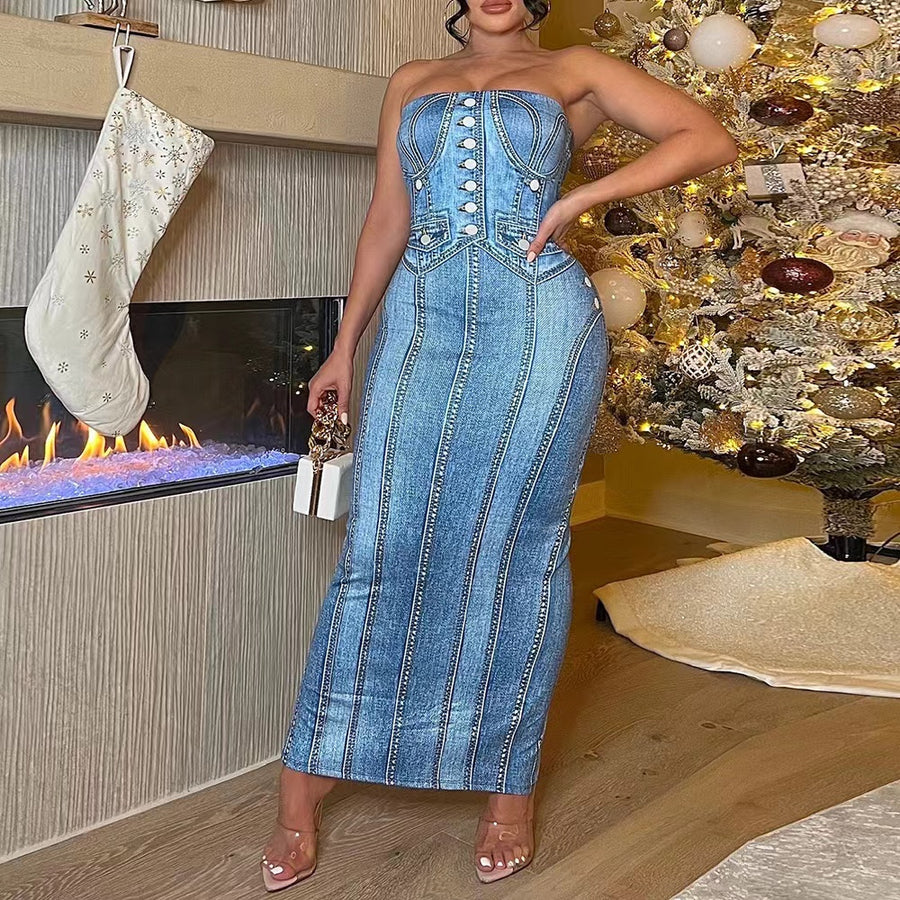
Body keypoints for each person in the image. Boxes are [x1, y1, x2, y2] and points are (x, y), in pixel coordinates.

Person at [260, 0, 738, 890]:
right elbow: (387, 217)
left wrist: (580, 199)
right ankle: (304, 786)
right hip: (418, 324)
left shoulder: (575, 69)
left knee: (519, 548)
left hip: (538, 323)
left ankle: (506, 794)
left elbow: (706, 138)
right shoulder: (413, 80)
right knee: (380, 540)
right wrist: (344, 347)